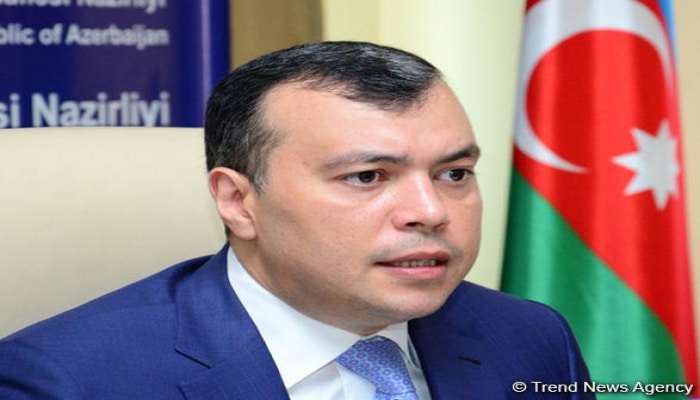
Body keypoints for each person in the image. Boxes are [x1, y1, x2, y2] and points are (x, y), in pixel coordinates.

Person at [0, 41, 593, 399]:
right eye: (368, 177)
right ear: (238, 202)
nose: (431, 211)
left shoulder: (529, 338)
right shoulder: (68, 381)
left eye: (454, 173)